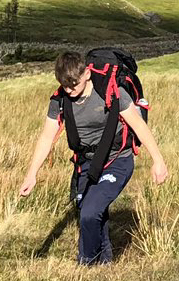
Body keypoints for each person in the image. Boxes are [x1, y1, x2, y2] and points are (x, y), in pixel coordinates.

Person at [18, 50, 170, 265]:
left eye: (74, 84)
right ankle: (104, 262)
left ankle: (86, 264)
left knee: (89, 212)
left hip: (117, 159)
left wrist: (158, 160)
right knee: (91, 211)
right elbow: (46, 137)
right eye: (65, 85)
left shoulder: (112, 91)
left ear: (87, 74)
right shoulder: (59, 100)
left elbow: (138, 125)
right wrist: (31, 174)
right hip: (85, 163)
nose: (70, 90)